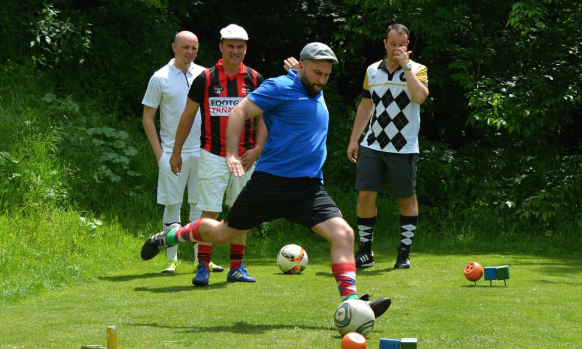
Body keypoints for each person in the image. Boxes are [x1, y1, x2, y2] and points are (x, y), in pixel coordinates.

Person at [141, 42, 392, 317]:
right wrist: (232, 154)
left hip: (308, 187)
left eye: (326, 75)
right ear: (301, 67)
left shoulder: (313, 88)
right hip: (271, 183)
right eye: (317, 73)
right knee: (224, 234)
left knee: (344, 234)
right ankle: (172, 235)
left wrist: (304, 75)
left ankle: (352, 304)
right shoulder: (279, 87)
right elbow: (239, 112)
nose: (322, 80)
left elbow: (306, 93)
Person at [168, 24, 268, 286]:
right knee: (209, 212)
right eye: (230, 46)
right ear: (221, 46)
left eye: (240, 46)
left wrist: (257, 150)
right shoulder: (206, 78)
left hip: (245, 158)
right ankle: (202, 267)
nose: (235, 51)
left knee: (241, 212)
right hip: (212, 154)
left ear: (246, 48)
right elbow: (188, 116)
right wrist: (176, 152)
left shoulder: (255, 79)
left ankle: (237, 267)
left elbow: (265, 119)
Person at [347, 23, 429, 269]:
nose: (397, 48)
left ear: (408, 46)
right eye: (392, 44)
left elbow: (420, 97)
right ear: (384, 44)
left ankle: (404, 253)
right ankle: (365, 251)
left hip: (404, 147)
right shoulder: (372, 70)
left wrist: (406, 67)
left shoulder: (418, 69)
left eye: (401, 45)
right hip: (372, 144)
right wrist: (354, 140)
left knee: (406, 198)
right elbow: (365, 106)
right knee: (365, 195)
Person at [141, 31, 206, 274]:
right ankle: (171, 259)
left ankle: (203, 260)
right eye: (185, 47)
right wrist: (160, 155)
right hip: (171, 152)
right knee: (172, 206)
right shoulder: (160, 77)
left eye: (194, 47)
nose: (189, 52)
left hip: (202, 151)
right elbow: (148, 118)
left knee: (200, 206)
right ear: (174, 47)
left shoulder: (203, 74)